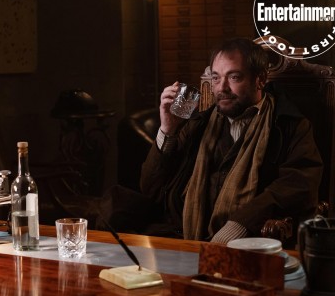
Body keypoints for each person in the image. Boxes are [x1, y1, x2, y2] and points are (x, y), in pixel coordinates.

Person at [137, 37, 323, 244]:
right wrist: (168, 129)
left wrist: (240, 225)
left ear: (260, 79)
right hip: (181, 235)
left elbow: (300, 185)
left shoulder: (289, 126)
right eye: (216, 78)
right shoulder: (199, 124)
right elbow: (151, 188)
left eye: (234, 77)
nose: (222, 88)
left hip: (250, 243)